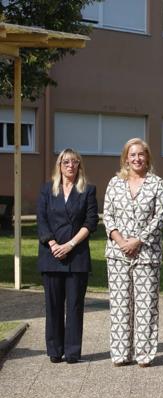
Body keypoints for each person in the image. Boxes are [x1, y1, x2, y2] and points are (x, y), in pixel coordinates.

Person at [104, 138, 163, 367]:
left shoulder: (157, 184)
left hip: (147, 253)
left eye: (141, 154)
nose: (137, 159)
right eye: (132, 155)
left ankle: (144, 354)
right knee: (120, 304)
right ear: (125, 158)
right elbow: (108, 215)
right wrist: (121, 241)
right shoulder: (114, 183)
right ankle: (121, 353)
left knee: (146, 306)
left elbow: (159, 217)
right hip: (117, 253)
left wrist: (138, 241)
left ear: (147, 157)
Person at [37, 149, 98, 364]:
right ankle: (54, 350)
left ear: (79, 165)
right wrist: (53, 244)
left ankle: (72, 352)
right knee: (53, 305)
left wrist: (70, 244)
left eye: (74, 162)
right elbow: (42, 220)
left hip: (77, 256)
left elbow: (90, 222)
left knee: (74, 306)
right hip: (51, 255)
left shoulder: (88, 190)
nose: (70, 166)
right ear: (59, 165)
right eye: (65, 162)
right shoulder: (47, 190)